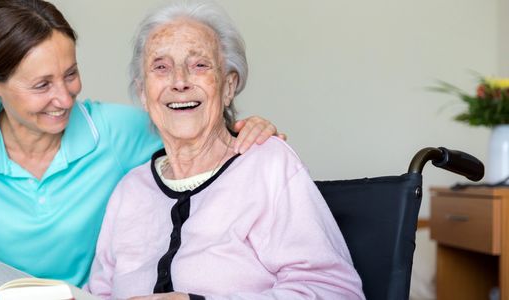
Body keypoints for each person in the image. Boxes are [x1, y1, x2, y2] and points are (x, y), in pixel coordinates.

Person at [0, 1, 282, 299]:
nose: (63, 98)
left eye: (70, 74)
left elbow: (197, 131)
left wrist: (246, 130)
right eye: (42, 85)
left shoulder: (116, 132)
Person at [86, 1, 365, 299]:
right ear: (143, 92)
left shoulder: (267, 166)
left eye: (199, 65)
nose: (179, 81)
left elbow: (335, 291)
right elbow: (98, 294)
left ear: (228, 86)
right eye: (161, 67)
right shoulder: (129, 191)